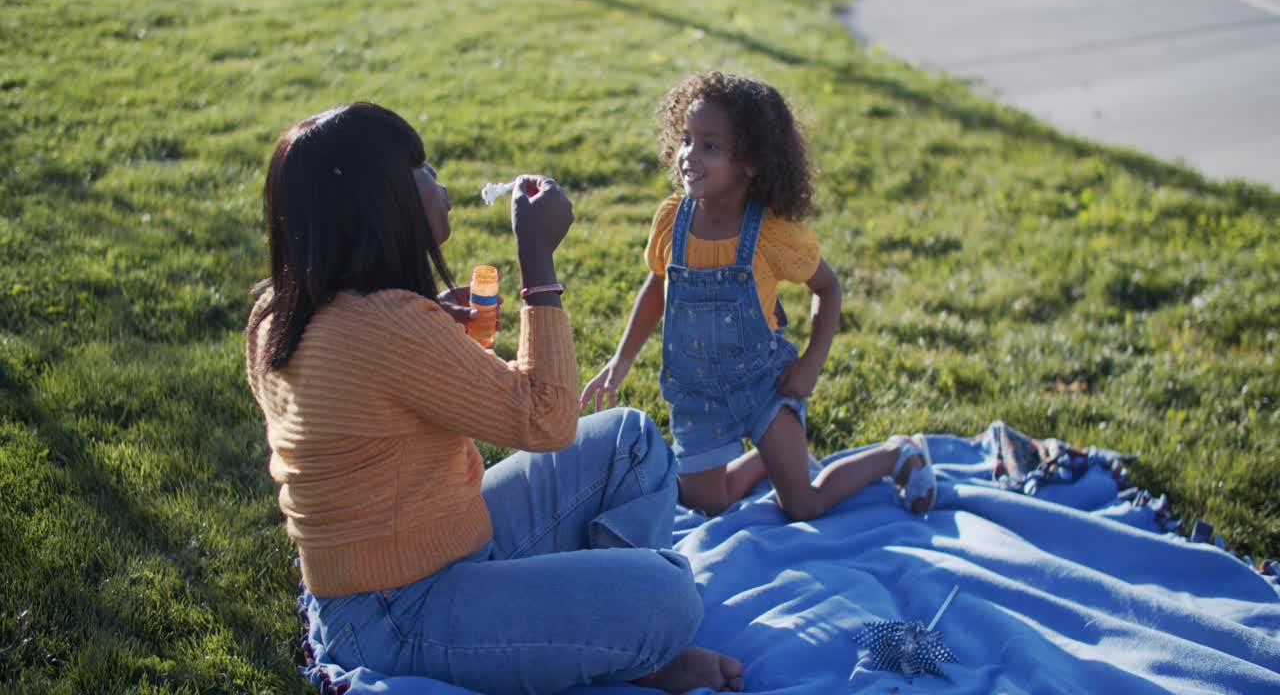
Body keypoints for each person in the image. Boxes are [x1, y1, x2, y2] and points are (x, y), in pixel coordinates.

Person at [244, 102, 743, 694]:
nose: (440, 184)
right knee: (670, 597)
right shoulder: (389, 328)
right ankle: (621, 640)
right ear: (380, 204)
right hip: (399, 613)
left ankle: (592, 632)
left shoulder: (278, 312)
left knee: (628, 440)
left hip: (428, 552)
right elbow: (548, 419)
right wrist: (538, 263)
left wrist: (431, 332)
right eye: (421, 171)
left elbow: (350, 407)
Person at [581, 72, 936, 520]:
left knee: (803, 506)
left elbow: (828, 289)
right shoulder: (672, 219)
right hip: (695, 393)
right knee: (706, 501)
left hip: (763, 386)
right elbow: (656, 287)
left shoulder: (770, 234)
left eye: (711, 146)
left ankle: (896, 454)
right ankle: (774, 459)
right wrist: (621, 360)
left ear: (751, 162)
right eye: (688, 140)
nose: (690, 155)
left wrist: (811, 364)